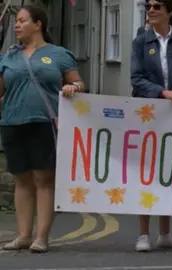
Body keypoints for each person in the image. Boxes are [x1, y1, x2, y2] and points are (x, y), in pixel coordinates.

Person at [0, 6, 84, 253]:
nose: (17, 25)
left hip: (45, 123)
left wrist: (74, 88)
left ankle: (41, 237)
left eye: (22, 21)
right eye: (15, 22)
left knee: (44, 179)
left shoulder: (58, 54)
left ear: (38, 25)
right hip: (13, 122)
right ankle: (23, 235)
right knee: (22, 179)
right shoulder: (8, 57)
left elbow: (78, 81)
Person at [130, 0, 172, 252]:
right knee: (146, 171)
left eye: (157, 6)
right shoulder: (140, 41)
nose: (151, 10)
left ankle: (166, 233)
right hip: (148, 113)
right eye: (148, 6)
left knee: (168, 171)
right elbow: (136, 79)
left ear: (169, 12)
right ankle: (142, 234)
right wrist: (163, 93)